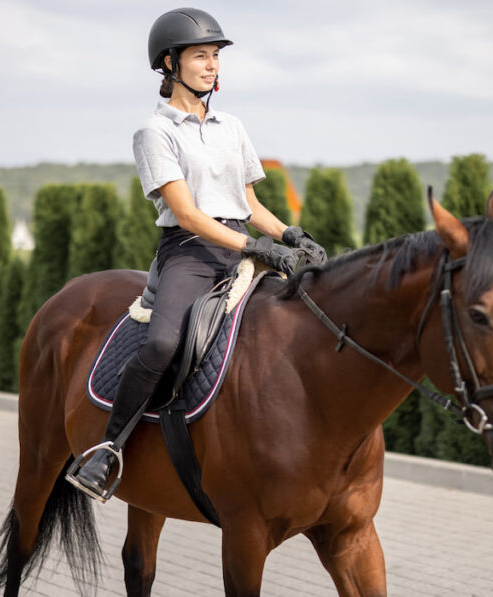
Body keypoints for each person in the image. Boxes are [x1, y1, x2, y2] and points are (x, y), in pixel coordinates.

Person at [67, 7, 327, 501]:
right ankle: (106, 450)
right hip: (189, 252)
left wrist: (292, 235)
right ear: (169, 63)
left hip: (239, 244)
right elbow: (186, 213)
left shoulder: (232, 126)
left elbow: (249, 204)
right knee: (163, 343)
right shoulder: (155, 131)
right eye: (200, 56)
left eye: (215, 57)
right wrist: (256, 247)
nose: (211, 65)